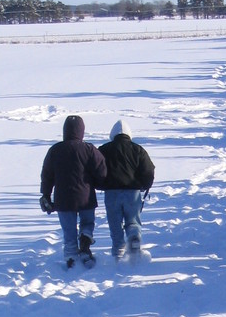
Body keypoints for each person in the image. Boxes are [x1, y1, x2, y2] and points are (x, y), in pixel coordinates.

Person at [40, 114, 107, 268]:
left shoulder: (55, 150)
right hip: (86, 196)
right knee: (87, 222)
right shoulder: (89, 149)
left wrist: (46, 194)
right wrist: (97, 184)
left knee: (68, 229)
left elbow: (47, 174)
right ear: (81, 131)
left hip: (63, 199)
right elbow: (101, 170)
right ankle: (85, 240)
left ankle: (71, 257)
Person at [98, 119, 155, 260]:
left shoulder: (104, 150)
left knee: (114, 223)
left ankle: (118, 250)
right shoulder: (138, 150)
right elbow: (149, 170)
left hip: (111, 193)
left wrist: (100, 184)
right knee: (133, 221)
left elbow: (96, 170)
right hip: (133, 192)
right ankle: (134, 238)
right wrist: (144, 186)